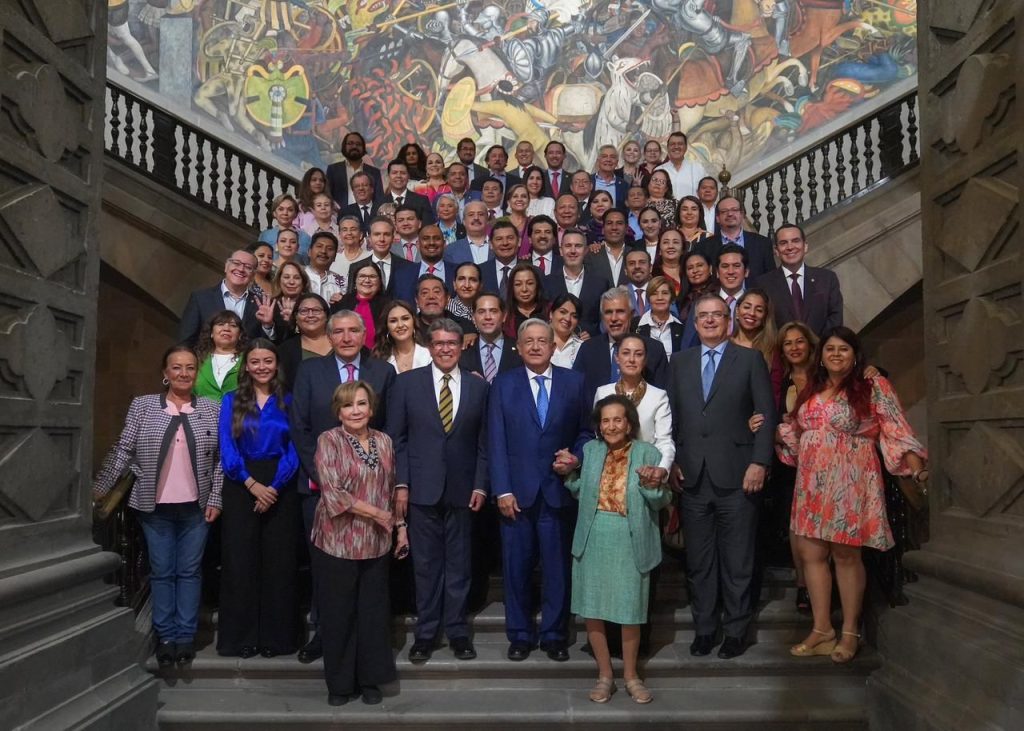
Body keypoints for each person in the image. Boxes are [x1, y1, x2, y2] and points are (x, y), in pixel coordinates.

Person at [778, 327, 927, 664]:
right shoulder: (813, 387)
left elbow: (896, 429)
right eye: (830, 348)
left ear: (856, 354)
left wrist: (917, 467)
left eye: (843, 349)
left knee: (846, 555)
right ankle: (821, 628)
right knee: (810, 553)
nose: (835, 354)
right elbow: (798, 429)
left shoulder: (873, 385)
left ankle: (848, 631)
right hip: (811, 482)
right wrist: (773, 431)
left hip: (850, 478)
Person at [93, 345, 222, 667]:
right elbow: (124, 449)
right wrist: (99, 489)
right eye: (176, 367)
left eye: (190, 368)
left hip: (197, 507)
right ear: (165, 373)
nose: (183, 373)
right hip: (154, 507)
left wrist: (217, 497)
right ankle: (165, 636)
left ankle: (185, 636)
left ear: (196, 373)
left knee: (189, 572)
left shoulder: (211, 407)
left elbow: (221, 460)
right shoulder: (144, 406)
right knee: (163, 573)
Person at [668, 293, 777, 660]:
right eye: (704, 316)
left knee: (737, 561)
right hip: (693, 478)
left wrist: (760, 462)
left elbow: (766, 415)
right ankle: (704, 629)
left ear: (728, 321)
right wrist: (673, 462)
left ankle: (735, 631)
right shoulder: (679, 362)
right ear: (695, 323)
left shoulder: (749, 360)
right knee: (699, 562)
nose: (711, 320)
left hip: (739, 476)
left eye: (718, 315)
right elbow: (674, 419)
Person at [289, 311, 396, 665]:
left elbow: (392, 431)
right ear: (329, 336)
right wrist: (323, 476)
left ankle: (367, 643)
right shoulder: (310, 371)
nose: (347, 337)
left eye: (353, 331)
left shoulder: (383, 371)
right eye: (339, 331)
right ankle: (325, 631)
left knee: (369, 577)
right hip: (321, 488)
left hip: (373, 491)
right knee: (327, 568)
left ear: (365, 333)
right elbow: (300, 427)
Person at [488, 319, 591, 662]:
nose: (535, 346)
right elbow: (496, 440)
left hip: (558, 492)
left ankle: (554, 634)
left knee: (557, 568)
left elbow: (586, 431)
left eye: (542, 341)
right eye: (528, 341)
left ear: (552, 346)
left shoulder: (574, 383)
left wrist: (575, 456)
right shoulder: (503, 384)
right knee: (516, 568)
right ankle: (519, 634)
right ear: (518, 346)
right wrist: (501, 489)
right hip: (516, 495)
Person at [387, 319, 490, 663]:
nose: (445, 349)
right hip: (420, 490)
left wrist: (480, 483)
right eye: (439, 343)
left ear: (462, 347)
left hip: (463, 490)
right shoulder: (406, 384)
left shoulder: (479, 388)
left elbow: (483, 443)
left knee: (460, 565)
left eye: (452, 343)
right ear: (429, 347)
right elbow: (396, 440)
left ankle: (458, 631)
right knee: (426, 566)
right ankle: (426, 632)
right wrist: (401, 484)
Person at [556, 394, 670, 704]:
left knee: (630, 610)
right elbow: (581, 490)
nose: (611, 426)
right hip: (593, 537)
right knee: (592, 610)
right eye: (605, 420)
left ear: (629, 423)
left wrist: (651, 486)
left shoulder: (649, 452)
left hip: (631, 539)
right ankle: (605, 675)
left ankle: (631, 676)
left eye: (617, 419)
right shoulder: (591, 451)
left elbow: (662, 502)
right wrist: (568, 473)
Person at [311, 380, 407, 705]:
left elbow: (393, 488)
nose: (356, 410)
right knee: (339, 614)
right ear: (338, 410)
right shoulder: (329, 440)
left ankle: (370, 680)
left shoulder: (384, 441)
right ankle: (340, 685)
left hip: (376, 544)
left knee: (373, 614)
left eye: (362, 404)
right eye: (349, 405)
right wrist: (379, 515)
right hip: (337, 542)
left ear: (371, 408)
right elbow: (334, 492)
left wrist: (400, 526)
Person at [216, 339, 300, 658]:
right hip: (241, 484)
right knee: (241, 562)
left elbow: (295, 448)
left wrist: (274, 486)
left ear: (276, 364)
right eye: (255, 361)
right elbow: (227, 448)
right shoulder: (231, 399)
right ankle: (241, 638)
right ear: (246, 366)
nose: (262, 367)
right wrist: (252, 484)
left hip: (282, 483)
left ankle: (277, 639)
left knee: (279, 563)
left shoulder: (289, 400)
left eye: (267, 361)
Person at [770, 321, 819, 612]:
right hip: (789, 466)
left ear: (810, 344)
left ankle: (826, 583)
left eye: (799, 341)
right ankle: (804, 585)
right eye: (788, 343)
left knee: (821, 526)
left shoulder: (825, 377)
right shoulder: (779, 382)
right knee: (797, 527)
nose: (794, 348)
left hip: (823, 464)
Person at [573, 287, 669, 403]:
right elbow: (577, 395)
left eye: (620, 311)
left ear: (631, 314)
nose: (614, 318)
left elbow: (663, 396)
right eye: (608, 312)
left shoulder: (654, 350)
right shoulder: (588, 350)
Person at [756, 223, 843, 337]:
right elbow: (762, 324)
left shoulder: (827, 279)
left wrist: (815, 345)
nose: (790, 247)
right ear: (776, 250)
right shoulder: (763, 284)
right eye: (783, 243)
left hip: (819, 350)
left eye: (795, 241)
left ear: (805, 246)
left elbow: (835, 318)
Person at [178, 250, 277, 345]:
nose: (241, 269)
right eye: (236, 263)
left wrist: (267, 325)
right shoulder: (200, 299)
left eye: (248, 267)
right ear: (226, 266)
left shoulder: (261, 305)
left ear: (253, 275)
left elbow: (266, 347)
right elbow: (186, 341)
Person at [544, 229, 611, 336]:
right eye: (568, 246)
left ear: (585, 250)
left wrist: (593, 337)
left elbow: (604, 320)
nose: (573, 251)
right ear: (561, 250)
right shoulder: (547, 282)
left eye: (578, 246)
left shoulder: (600, 284)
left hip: (590, 347)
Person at [695, 197, 775, 281]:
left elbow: (771, 279)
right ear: (717, 218)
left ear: (742, 214)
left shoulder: (763, 243)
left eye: (734, 210)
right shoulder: (703, 247)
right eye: (724, 211)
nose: (730, 214)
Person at [354, 216, 418, 303]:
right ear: (369, 238)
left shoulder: (409, 267)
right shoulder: (356, 267)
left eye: (386, 234)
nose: (381, 239)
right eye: (377, 234)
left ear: (393, 238)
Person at [460, 293, 522, 381]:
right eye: (481, 312)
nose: (487, 317)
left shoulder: (520, 350)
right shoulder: (463, 353)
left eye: (493, 311)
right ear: (473, 317)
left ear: (504, 316)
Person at [278, 293, 332, 392]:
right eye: (304, 311)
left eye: (316, 310)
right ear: (296, 317)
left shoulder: (341, 341)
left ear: (327, 316)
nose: (310, 315)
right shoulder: (286, 350)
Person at [334, 260, 389, 349]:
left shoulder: (389, 306)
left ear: (379, 282)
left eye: (372, 276)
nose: (367, 280)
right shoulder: (341, 303)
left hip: (379, 357)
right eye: (362, 276)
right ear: (355, 281)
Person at [193, 311, 246, 402]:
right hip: (200, 414)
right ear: (211, 333)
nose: (226, 328)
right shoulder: (196, 359)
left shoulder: (248, 360)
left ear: (240, 335)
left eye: (233, 325)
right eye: (220, 324)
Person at [326, 131, 383, 208]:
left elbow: (379, 199)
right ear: (344, 147)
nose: (354, 146)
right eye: (350, 143)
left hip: (367, 217)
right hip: (341, 216)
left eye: (358, 144)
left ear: (363, 148)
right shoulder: (333, 170)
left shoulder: (374, 172)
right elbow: (327, 196)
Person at [372, 300, 431, 373]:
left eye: (405, 318)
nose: (400, 325)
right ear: (387, 326)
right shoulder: (379, 358)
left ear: (414, 322)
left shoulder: (429, 355)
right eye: (393, 321)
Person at [633, 276, 684, 358]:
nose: (660, 298)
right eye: (654, 293)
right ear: (649, 298)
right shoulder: (634, 326)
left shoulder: (681, 328)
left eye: (665, 293)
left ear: (671, 298)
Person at [584, 208, 634, 286]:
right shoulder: (591, 256)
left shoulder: (635, 255)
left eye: (619, 223)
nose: (614, 227)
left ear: (627, 229)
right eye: (609, 223)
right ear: (603, 229)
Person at [655, 131, 708, 200]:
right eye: (672, 144)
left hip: (691, 210)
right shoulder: (658, 171)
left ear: (686, 148)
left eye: (680, 144)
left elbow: (706, 193)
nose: (676, 147)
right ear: (668, 148)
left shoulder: (698, 168)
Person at [379, 160, 435, 224]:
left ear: (408, 176)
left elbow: (427, 228)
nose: (399, 176)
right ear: (388, 176)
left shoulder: (422, 201)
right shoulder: (379, 203)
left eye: (403, 173)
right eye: (394, 173)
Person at [258, 193, 311, 260]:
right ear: (274, 213)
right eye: (281, 209)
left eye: (290, 210)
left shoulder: (305, 238)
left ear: (296, 214)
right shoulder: (265, 235)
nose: (285, 213)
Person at [503, 262, 548, 338]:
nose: (524, 289)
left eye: (530, 283)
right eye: (518, 284)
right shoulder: (505, 314)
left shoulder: (550, 310)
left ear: (537, 285)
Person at [305, 232, 346, 308]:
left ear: (335, 257)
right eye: (319, 246)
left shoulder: (342, 281)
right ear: (309, 252)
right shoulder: (299, 276)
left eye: (329, 249)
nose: (323, 251)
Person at [480, 219, 521, 295]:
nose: (505, 243)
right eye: (499, 239)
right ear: (491, 244)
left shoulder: (533, 270)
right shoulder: (480, 271)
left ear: (519, 241)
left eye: (510, 238)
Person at [447, 201, 492, 266]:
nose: (476, 218)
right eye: (471, 214)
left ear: (487, 219)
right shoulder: (451, 250)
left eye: (481, 214)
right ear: (464, 221)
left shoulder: (499, 246)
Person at [549, 293, 586, 369]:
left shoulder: (582, 347)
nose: (568, 319)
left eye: (574, 316)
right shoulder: (537, 341)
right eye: (563, 312)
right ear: (551, 314)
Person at [330, 216, 368, 283]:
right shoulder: (333, 259)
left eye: (353, 229)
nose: (349, 233)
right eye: (344, 230)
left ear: (361, 235)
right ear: (339, 235)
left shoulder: (369, 257)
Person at [272, 261, 309, 325]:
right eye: (286, 277)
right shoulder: (270, 305)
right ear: (279, 281)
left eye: (296, 278)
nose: (291, 282)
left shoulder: (312, 304)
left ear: (303, 282)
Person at [296, 167, 332, 231]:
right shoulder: (299, 205)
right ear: (307, 183)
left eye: (321, 180)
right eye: (314, 180)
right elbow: (294, 227)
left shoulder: (333, 204)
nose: (318, 182)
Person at [653, 228, 685, 295]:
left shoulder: (690, 273)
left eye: (675, 242)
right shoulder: (652, 276)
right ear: (659, 250)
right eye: (665, 242)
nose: (670, 246)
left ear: (682, 249)